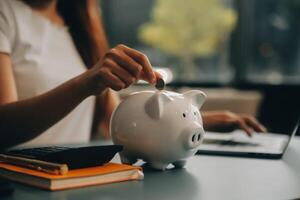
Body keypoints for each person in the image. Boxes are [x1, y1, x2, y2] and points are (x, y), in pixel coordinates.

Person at [0, 0, 266, 150]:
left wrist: (198, 121)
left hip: (79, 180)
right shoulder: (6, 13)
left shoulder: (80, 22)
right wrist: (86, 83)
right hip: (25, 183)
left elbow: (112, 121)